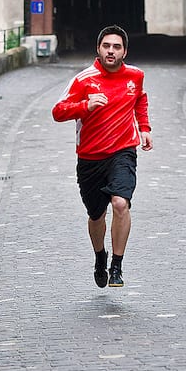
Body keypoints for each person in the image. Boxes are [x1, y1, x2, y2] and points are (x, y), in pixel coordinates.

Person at [52, 25, 153, 288]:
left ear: (125, 51)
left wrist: (144, 129)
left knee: (121, 204)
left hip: (123, 151)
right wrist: (85, 105)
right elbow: (58, 111)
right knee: (96, 216)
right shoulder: (83, 80)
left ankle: (117, 266)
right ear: (98, 49)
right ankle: (100, 258)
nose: (111, 51)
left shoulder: (135, 76)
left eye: (116, 47)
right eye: (106, 46)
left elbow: (140, 100)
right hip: (90, 157)